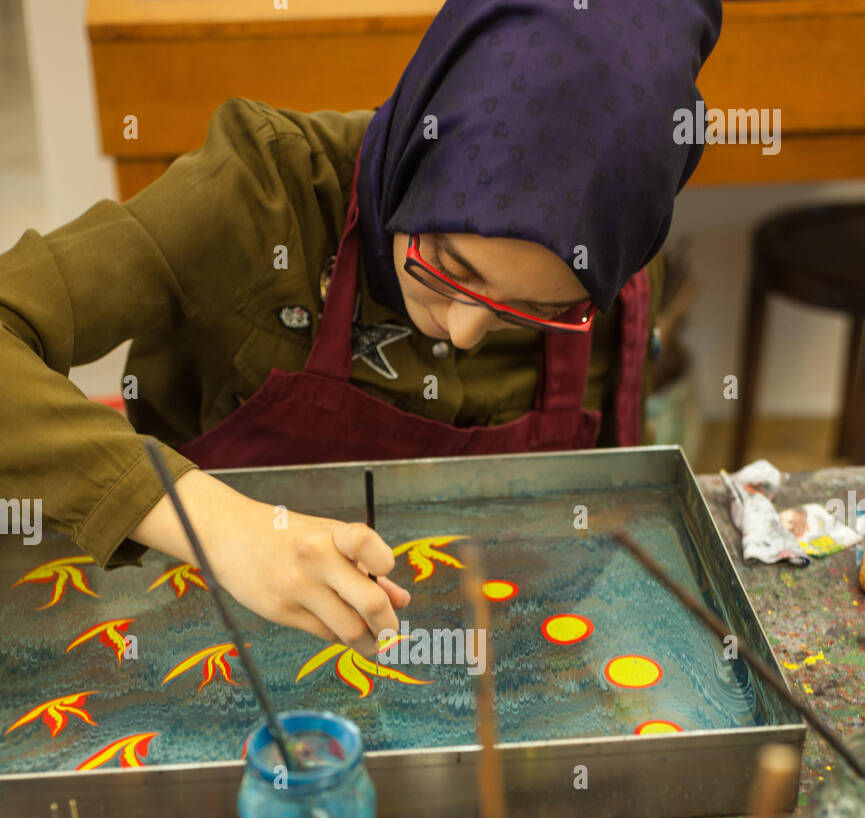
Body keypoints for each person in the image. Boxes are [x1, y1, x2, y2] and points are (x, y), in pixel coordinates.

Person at [0, 0, 722, 658]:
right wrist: (213, 524)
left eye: (531, 309)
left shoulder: (609, 285)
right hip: (204, 643)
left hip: (485, 661)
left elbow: (593, 516)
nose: (466, 332)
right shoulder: (260, 195)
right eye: (448, 264)